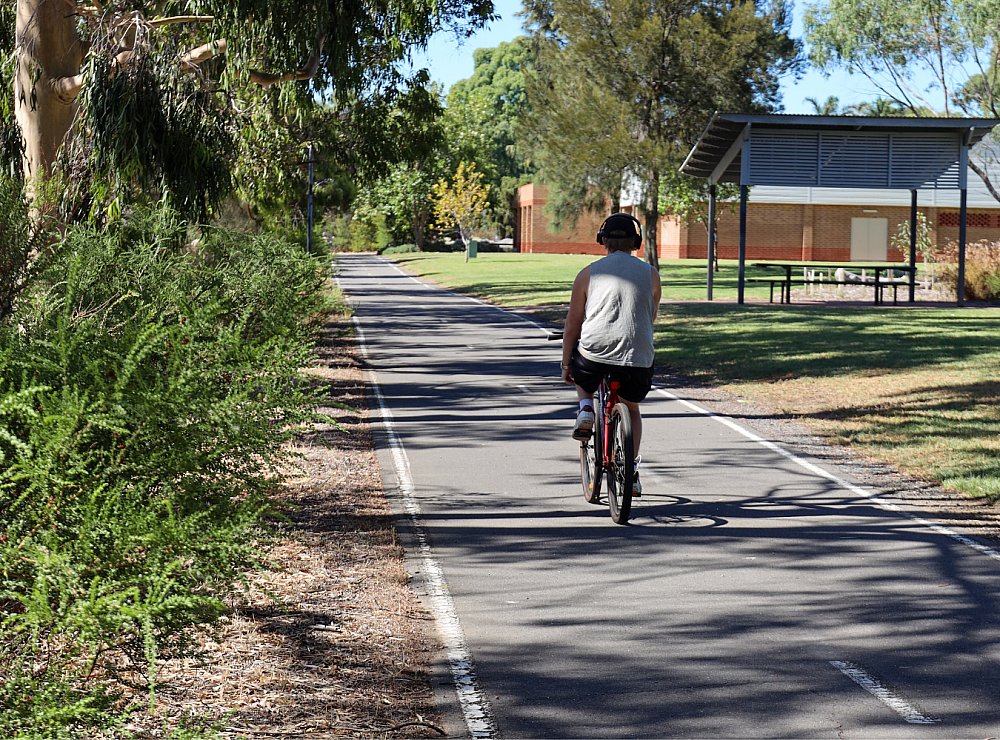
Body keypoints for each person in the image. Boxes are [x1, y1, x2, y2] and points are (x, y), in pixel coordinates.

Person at [560, 212, 661, 495]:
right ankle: (632, 470)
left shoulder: (589, 273)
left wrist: (566, 363)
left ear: (602, 240)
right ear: (636, 242)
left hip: (595, 352)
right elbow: (648, 318)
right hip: (637, 356)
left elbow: (572, 325)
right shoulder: (651, 274)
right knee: (631, 407)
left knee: (583, 374)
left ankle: (585, 409)